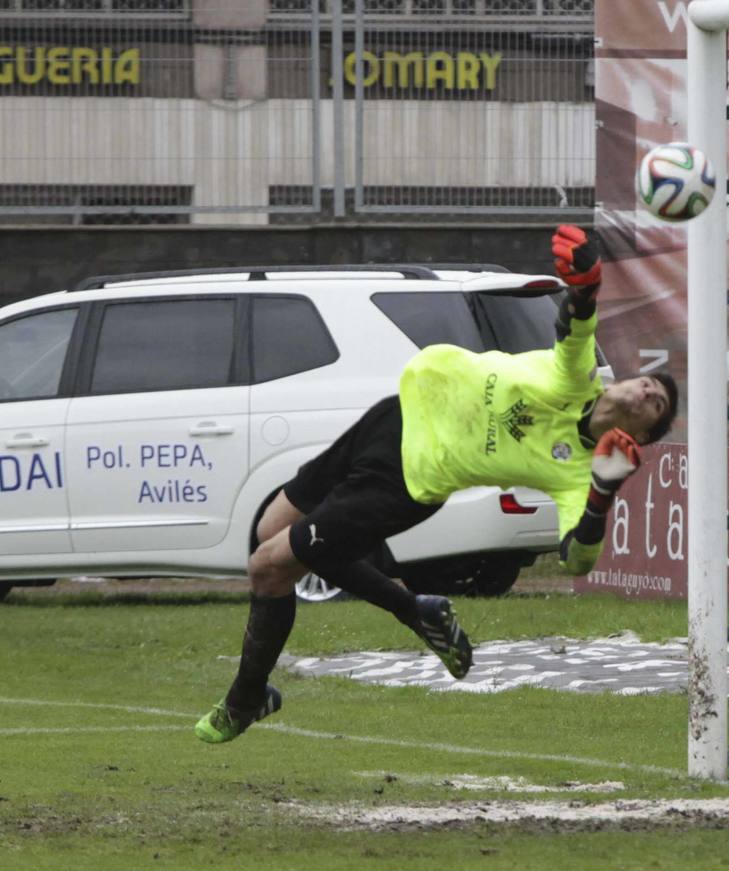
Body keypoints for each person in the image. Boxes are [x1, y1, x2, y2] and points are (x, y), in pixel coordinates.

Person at [195, 225, 679, 743]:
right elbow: (575, 329)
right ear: (622, 380)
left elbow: (576, 558)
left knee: (267, 568)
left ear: (641, 434)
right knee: (269, 527)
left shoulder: (574, 472)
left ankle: (245, 700)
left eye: (658, 404)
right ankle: (416, 609)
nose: (650, 388)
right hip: (392, 418)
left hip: (403, 481)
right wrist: (582, 285)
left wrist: (602, 496)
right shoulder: (575, 376)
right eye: (649, 381)